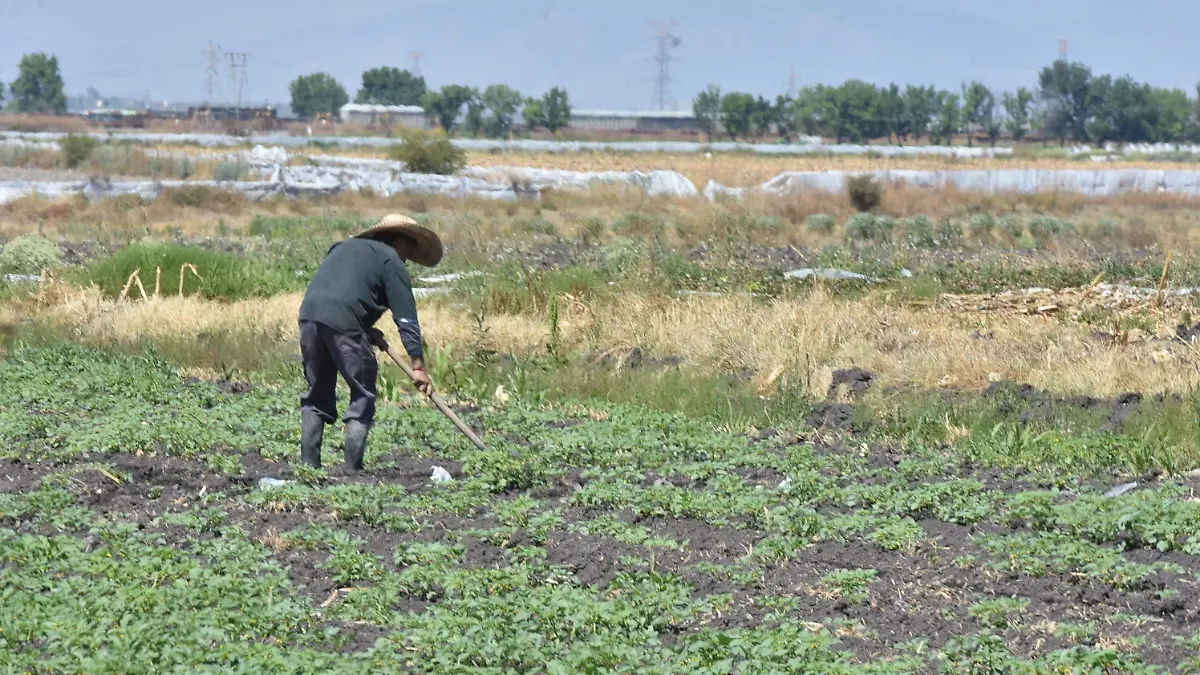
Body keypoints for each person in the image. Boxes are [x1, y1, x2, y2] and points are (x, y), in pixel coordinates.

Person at [296, 213, 441, 472]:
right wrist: (418, 365)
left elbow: (344, 291)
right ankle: (352, 472)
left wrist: (365, 329)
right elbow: (406, 319)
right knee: (362, 394)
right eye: (409, 251)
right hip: (344, 324)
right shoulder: (391, 261)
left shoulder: (343, 248)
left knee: (317, 395)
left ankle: (308, 471)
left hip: (309, 318)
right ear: (402, 242)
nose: (408, 258)